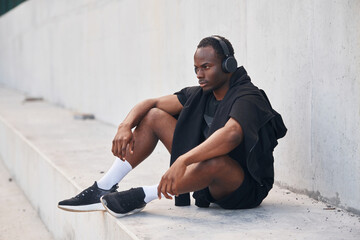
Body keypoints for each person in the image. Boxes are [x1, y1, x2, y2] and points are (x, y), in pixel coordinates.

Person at [58, 35, 287, 217]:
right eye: (196, 68)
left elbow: (232, 135)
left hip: (242, 187)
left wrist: (183, 160)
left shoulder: (247, 96)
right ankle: (104, 186)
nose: (199, 74)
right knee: (154, 116)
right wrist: (125, 125)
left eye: (206, 67)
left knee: (214, 161)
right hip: (203, 174)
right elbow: (151, 103)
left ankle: (144, 195)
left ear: (229, 65)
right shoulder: (201, 94)